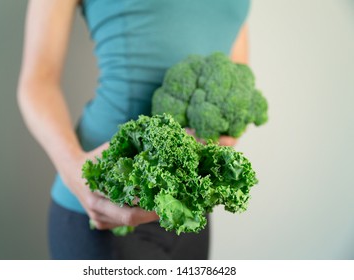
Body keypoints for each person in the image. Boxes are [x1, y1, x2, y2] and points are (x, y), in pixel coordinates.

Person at [17, 0, 250, 260]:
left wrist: (225, 133)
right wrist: (74, 169)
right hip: (106, 201)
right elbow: (38, 82)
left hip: (188, 205)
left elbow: (235, 70)